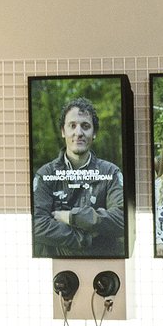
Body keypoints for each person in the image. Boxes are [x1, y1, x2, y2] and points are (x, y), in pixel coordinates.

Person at [31, 98, 127, 258]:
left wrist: (71, 217)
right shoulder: (45, 174)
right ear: (63, 131)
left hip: (103, 262)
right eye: (72, 126)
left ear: (94, 133)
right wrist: (85, 237)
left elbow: (121, 219)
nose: (79, 133)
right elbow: (36, 224)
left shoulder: (111, 172)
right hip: (56, 263)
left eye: (86, 126)